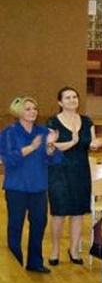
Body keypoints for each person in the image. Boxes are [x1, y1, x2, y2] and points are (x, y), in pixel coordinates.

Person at [2, 96, 61, 273]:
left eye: (34, 108)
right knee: (15, 226)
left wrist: (50, 146)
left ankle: (35, 262)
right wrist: (31, 148)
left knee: (39, 224)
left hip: (39, 186)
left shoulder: (43, 132)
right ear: (19, 112)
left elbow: (55, 160)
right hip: (16, 187)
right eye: (28, 109)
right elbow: (9, 159)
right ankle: (15, 265)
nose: (33, 111)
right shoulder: (9, 132)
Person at [47, 87, 100, 265]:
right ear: (60, 102)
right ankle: (55, 249)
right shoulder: (53, 122)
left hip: (80, 170)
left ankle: (74, 249)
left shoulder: (86, 121)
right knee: (59, 213)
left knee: (78, 212)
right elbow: (51, 147)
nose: (72, 100)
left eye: (74, 97)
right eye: (68, 97)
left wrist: (95, 144)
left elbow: (91, 141)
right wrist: (72, 142)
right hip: (59, 171)